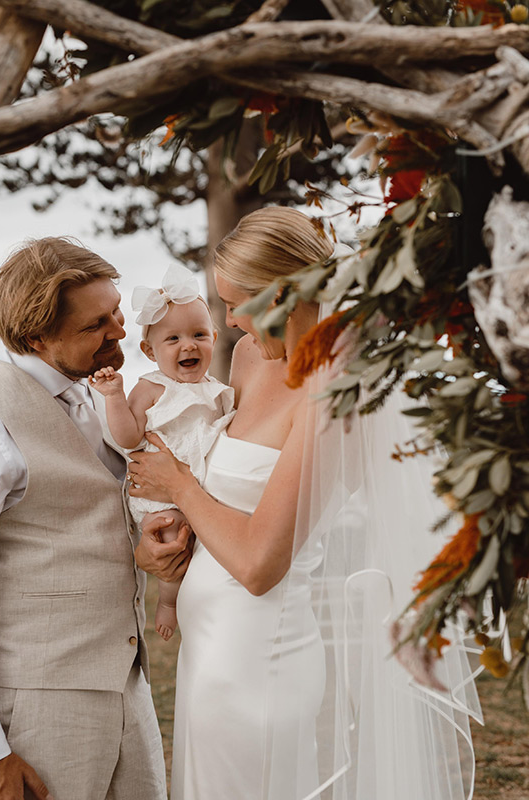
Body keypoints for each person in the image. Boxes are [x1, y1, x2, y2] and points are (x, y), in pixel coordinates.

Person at [128, 206, 481, 800]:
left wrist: (178, 485)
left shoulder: (335, 394)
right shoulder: (247, 359)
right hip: (206, 655)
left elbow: (262, 564)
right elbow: (226, 492)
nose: (230, 321)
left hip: (259, 662)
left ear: (286, 294)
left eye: (239, 303)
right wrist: (165, 543)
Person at [0, 237, 187, 800]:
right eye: (96, 324)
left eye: (116, 310)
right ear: (36, 338)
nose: (120, 331)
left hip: (128, 686)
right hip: (39, 704)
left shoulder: (98, 396)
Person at [90, 264, 234, 640]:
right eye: (172, 340)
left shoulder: (216, 390)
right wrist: (114, 397)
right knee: (173, 542)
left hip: (202, 487)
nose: (188, 345)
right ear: (149, 351)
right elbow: (127, 435)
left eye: (199, 334)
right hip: (160, 499)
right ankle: (168, 601)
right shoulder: (151, 388)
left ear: (214, 337)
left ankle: (208, 604)